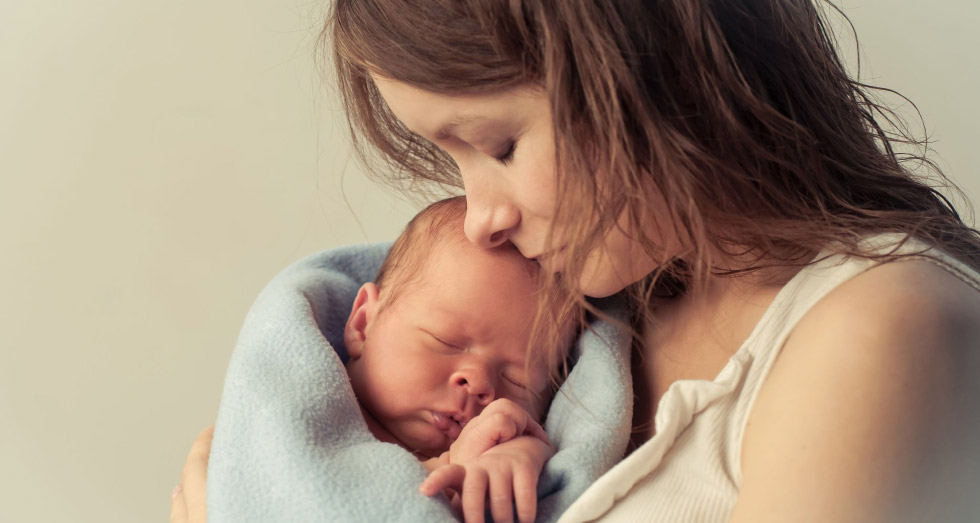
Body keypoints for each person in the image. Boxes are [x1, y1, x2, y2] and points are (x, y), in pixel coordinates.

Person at [174, 1, 980, 522]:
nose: (482, 216)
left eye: (499, 144)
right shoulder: (602, 307)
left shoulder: (879, 333)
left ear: (652, 68)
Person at [343, 196, 570, 522]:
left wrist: (524, 454)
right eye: (445, 341)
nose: (478, 381)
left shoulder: (498, 449)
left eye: (517, 379)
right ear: (364, 323)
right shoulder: (300, 409)